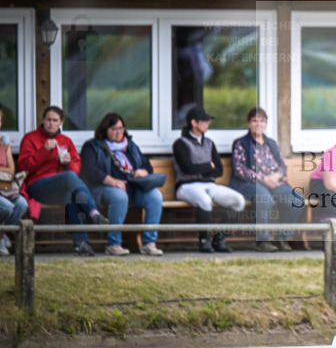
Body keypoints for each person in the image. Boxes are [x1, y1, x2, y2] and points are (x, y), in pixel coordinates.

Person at [18, 106, 109, 256]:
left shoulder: (66, 141)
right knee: (68, 177)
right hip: (37, 187)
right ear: (43, 120)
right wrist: (44, 151)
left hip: (59, 190)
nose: (51, 123)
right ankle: (93, 213)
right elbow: (24, 166)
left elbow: (76, 170)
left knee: (71, 196)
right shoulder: (30, 138)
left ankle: (81, 244)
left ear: (61, 122)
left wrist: (68, 163)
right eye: (48, 120)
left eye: (55, 120)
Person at [80, 112, 164, 256]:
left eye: (121, 128)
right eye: (114, 129)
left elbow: (147, 165)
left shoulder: (130, 145)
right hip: (104, 187)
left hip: (133, 187)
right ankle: (113, 244)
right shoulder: (92, 146)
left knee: (155, 196)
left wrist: (143, 171)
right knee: (120, 196)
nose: (118, 132)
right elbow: (90, 170)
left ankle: (149, 243)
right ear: (105, 129)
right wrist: (112, 181)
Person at [172, 107, 245, 253]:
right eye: (204, 121)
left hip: (209, 185)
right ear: (194, 123)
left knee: (239, 201)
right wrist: (208, 166)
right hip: (186, 186)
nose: (208, 123)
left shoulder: (209, 143)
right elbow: (188, 169)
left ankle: (219, 238)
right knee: (205, 201)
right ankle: (204, 241)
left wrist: (202, 168)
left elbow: (219, 170)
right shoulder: (180, 144)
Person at [231, 107, 304, 252]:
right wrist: (263, 179)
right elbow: (240, 169)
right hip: (249, 183)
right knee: (264, 198)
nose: (258, 124)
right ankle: (262, 241)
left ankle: (281, 237)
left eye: (261, 121)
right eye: (254, 121)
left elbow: (282, 165)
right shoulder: (241, 143)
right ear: (248, 123)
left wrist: (277, 176)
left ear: (266, 124)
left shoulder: (272, 143)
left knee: (297, 201)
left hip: (274, 182)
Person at [1, 105, 29, 255]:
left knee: (22, 203)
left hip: (4, 188)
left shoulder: (4, 144)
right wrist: (3, 170)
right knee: (6, 207)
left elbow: (11, 171)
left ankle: (1, 235)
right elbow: (7, 170)